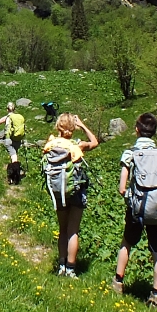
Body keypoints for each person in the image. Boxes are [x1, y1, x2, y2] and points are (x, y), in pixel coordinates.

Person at [114, 113, 157, 309]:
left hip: (137, 208)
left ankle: (118, 282)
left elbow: (122, 188)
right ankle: (156, 295)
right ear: (154, 132)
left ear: (137, 130)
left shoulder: (130, 153)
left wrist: (132, 197)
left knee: (127, 243)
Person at [41, 113, 98, 277]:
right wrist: (83, 126)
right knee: (73, 230)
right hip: (75, 191)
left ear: (58, 127)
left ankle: (61, 265)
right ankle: (71, 268)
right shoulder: (77, 145)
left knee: (63, 229)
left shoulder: (51, 144)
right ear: (73, 128)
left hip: (58, 192)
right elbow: (94, 142)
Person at [0, 101, 26, 183]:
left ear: (7, 109)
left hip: (9, 139)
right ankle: (16, 175)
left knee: (13, 157)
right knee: (14, 155)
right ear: (14, 109)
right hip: (18, 138)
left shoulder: (7, 117)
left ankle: (14, 177)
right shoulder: (18, 117)